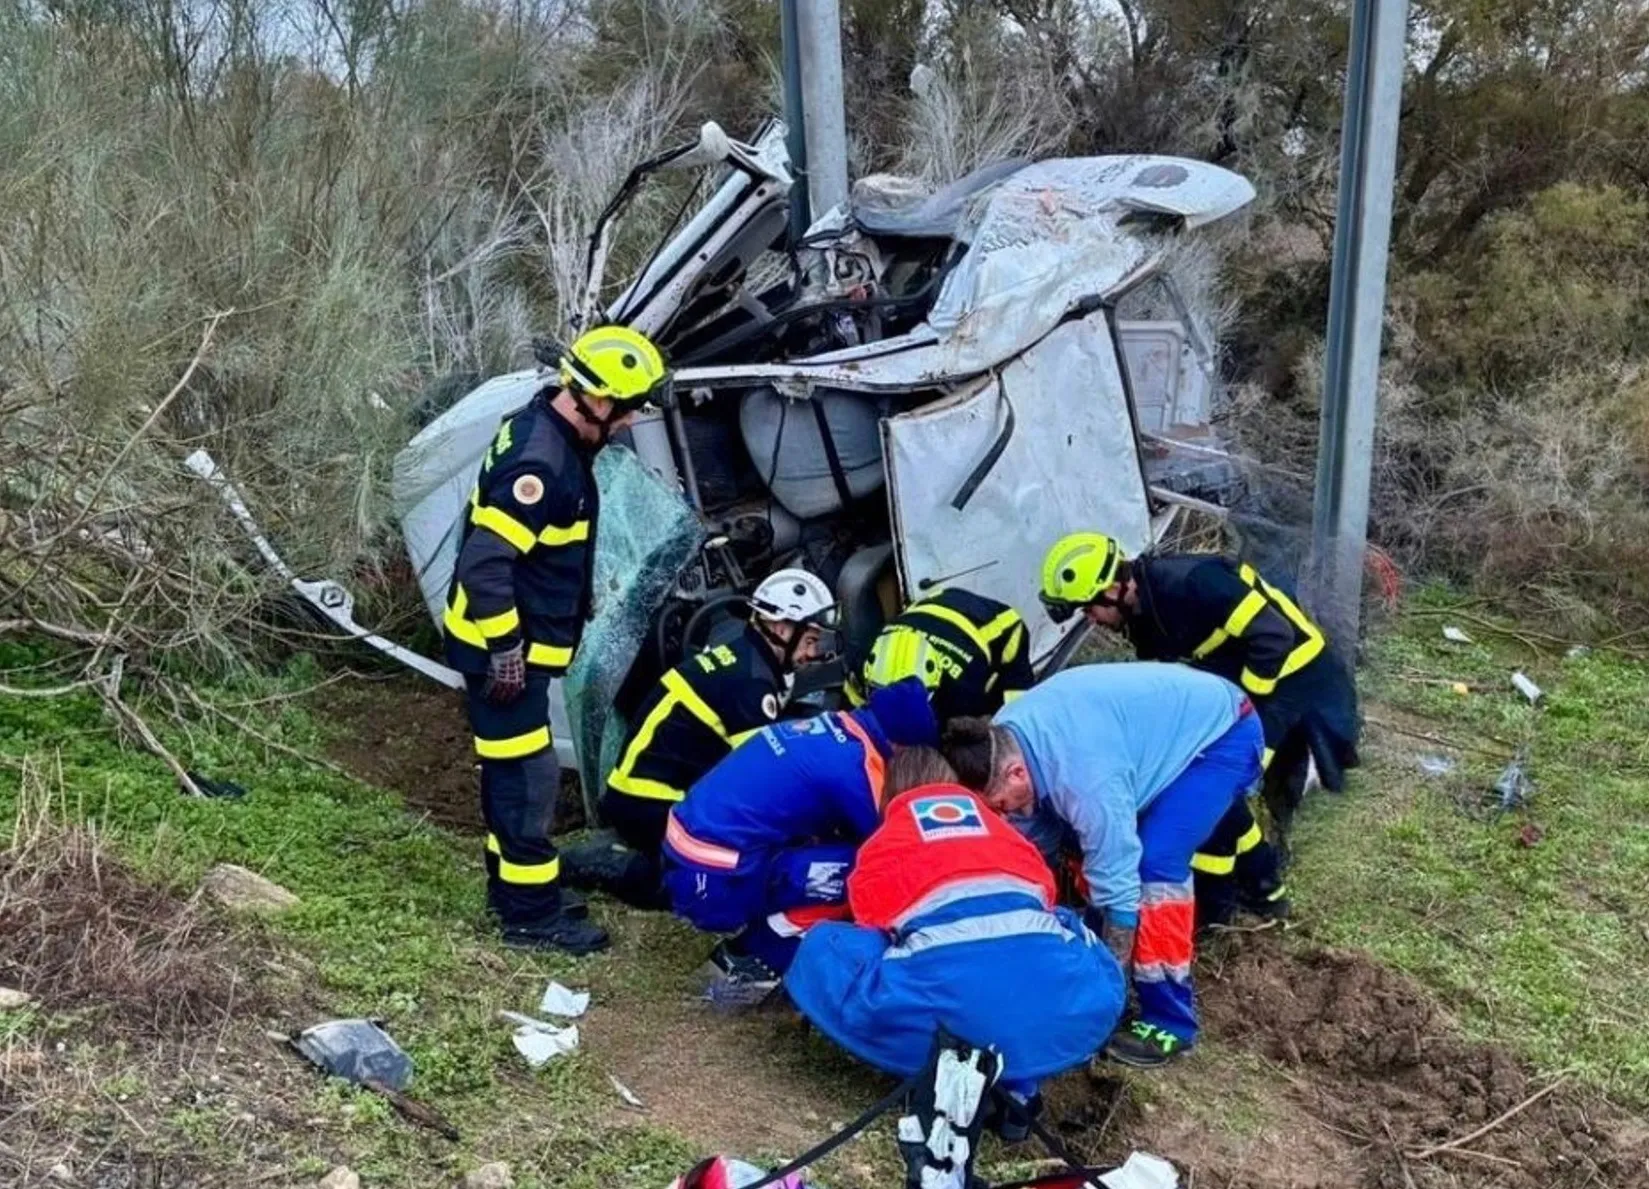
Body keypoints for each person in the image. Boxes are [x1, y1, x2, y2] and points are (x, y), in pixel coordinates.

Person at [443, 324, 669, 956]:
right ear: (596, 402)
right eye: (626, 410)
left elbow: (539, 549)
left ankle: (515, 894)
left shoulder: (548, 430)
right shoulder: (541, 463)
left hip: (508, 646)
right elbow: (486, 564)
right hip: (500, 653)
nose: (629, 423)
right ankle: (530, 917)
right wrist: (508, 648)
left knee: (517, 772)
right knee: (526, 780)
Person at [940, 662, 1263, 1068]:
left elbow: (1121, 885)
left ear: (1017, 773)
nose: (1005, 814)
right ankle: (1085, 957)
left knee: (1155, 864)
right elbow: (1029, 845)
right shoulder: (999, 742)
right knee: (1080, 847)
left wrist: (1107, 982)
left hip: (1220, 736)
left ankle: (1169, 1018)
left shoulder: (1085, 781)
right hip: (1139, 732)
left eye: (1003, 805)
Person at [784, 747, 1126, 1121]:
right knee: (1056, 924)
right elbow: (1044, 895)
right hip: (1065, 1018)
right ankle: (1021, 1087)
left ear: (890, 793)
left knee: (826, 943)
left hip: (948, 1030)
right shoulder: (1007, 835)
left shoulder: (886, 843)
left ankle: (940, 1072)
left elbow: (871, 923)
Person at [1038, 531, 1359, 924]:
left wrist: (1244, 712)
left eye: (1088, 608)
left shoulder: (1192, 583)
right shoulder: (1143, 615)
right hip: (1240, 684)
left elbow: (1273, 636)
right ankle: (1262, 884)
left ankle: (1223, 904)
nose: (1090, 619)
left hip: (1290, 678)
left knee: (1220, 783)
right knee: (1208, 781)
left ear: (1115, 588)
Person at [660, 678, 939, 1005]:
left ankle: (756, 946)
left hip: (689, 851)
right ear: (904, 748)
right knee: (857, 875)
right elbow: (894, 847)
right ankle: (749, 962)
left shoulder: (832, 728)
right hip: (713, 880)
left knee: (830, 849)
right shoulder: (857, 768)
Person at [586, 568, 840, 904]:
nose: (812, 654)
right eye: (810, 640)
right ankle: (620, 867)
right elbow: (764, 780)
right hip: (652, 803)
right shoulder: (750, 683)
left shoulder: (745, 657)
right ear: (781, 628)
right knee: (726, 878)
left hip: (645, 793)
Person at [846, 586, 1035, 723]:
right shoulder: (863, 660)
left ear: (934, 684)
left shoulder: (964, 693)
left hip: (1001, 625)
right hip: (929, 609)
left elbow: (969, 738)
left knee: (1011, 717)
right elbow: (853, 709)